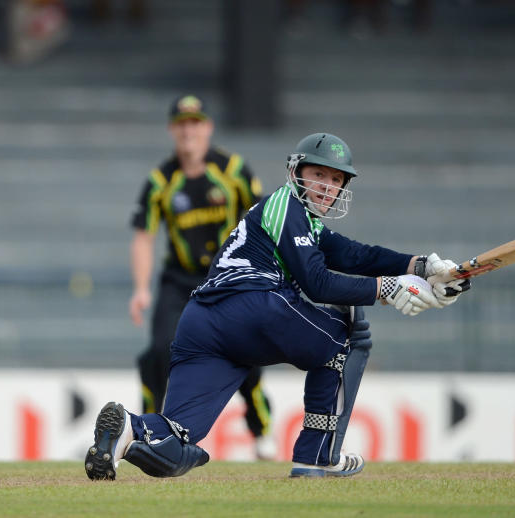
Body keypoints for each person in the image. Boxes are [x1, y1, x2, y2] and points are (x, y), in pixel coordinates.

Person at [87, 133, 470, 480]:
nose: (328, 186)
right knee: (348, 334)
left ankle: (127, 429)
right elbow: (317, 283)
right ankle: (316, 457)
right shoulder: (285, 206)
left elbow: (356, 255)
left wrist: (423, 268)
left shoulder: (301, 221)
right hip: (253, 304)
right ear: (296, 171)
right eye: (320, 174)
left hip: (201, 321)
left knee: (175, 444)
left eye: (337, 180)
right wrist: (389, 289)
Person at [128, 94, 275, 460]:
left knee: (247, 355)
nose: (188, 130)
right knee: (160, 350)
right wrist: (141, 289)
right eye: (181, 124)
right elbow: (143, 236)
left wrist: (266, 275)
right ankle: (146, 432)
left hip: (227, 278)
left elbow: (265, 222)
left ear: (207, 127)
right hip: (179, 280)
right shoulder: (161, 180)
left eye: (195, 123)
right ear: (171, 130)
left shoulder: (234, 170)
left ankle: (261, 433)